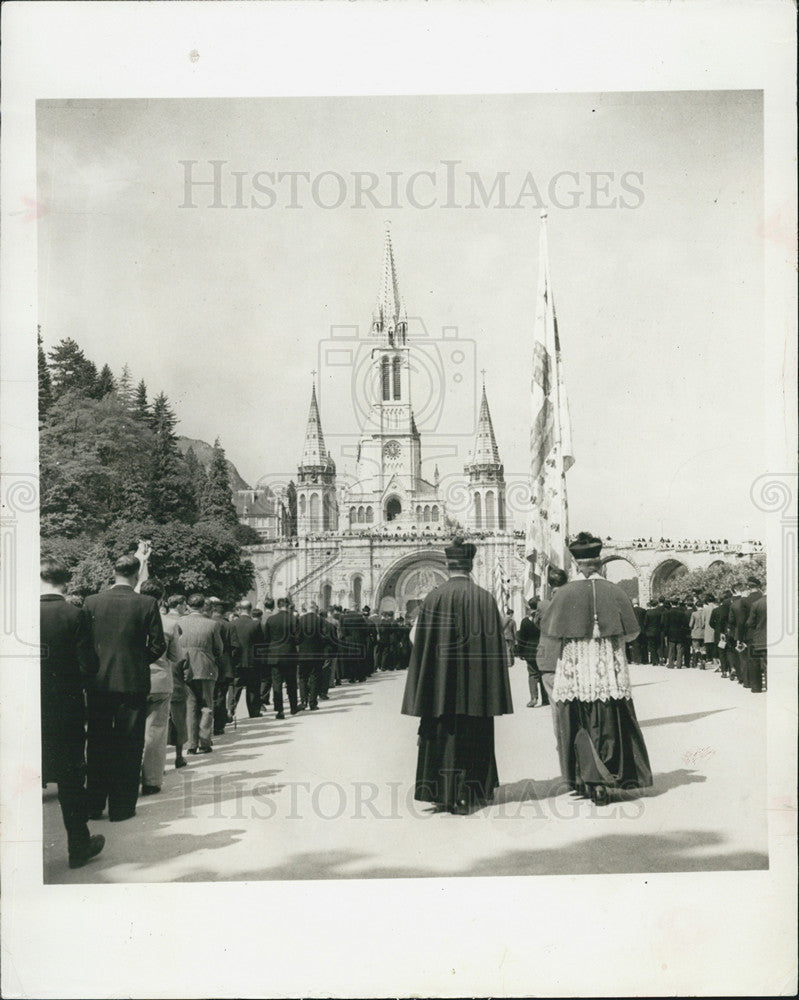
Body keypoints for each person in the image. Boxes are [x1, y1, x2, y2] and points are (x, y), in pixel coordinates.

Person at [401, 537, 513, 815]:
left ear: (448, 566)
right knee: (475, 732)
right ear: (470, 565)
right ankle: (474, 791)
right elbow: (497, 645)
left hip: (441, 684)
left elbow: (417, 639)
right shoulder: (486, 598)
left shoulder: (433, 598)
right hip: (477, 687)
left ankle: (443, 792)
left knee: (442, 732)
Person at [542, 532, 652, 806]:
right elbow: (632, 634)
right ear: (600, 562)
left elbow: (552, 634)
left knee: (578, 719)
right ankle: (612, 776)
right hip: (608, 667)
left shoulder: (565, 592)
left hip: (575, 666)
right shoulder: (615, 591)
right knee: (609, 717)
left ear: (578, 565)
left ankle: (589, 780)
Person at [84, 553, 166, 822]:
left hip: (99, 682)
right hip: (132, 682)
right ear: (136, 573)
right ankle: (121, 808)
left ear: (114, 571)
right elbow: (157, 645)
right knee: (128, 746)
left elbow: (83, 645)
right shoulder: (147, 603)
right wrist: (136, 661)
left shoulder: (92, 602)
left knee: (97, 744)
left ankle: (94, 804)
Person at [40, 558, 104, 868]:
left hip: (22, 705)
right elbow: (88, 666)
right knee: (70, 778)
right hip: (64, 706)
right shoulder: (75, 615)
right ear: (65, 582)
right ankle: (78, 845)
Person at [139, 579, 180, 795]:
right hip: (160, 680)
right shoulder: (169, 624)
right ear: (161, 599)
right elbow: (176, 656)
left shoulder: (131, 618)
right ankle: (152, 780)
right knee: (156, 731)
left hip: (134, 680)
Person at [178, 593, 223, 754]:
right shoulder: (212, 625)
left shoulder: (179, 622)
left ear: (188, 606)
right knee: (206, 706)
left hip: (185, 668)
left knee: (190, 706)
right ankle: (204, 742)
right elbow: (219, 649)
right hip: (206, 667)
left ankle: (191, 744)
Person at [263, 597, 300, 718]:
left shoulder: (271, 619)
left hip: (274, 655)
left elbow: (267, 638)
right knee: (291, 682)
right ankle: (293, 707)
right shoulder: (293, 619)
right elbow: (298, 638)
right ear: (288, 605)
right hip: (289, 654)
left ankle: (279, 710)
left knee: (276, 683)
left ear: (278, 606)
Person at [207, 597, 238, 735]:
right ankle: (219, 726)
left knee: (207, 695)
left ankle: (205, 726)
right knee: (220, 695)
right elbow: (235, 647)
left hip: (208, 663)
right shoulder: (228, 625)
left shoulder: (207, 622)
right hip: (224, 665)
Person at [165, 594, 189, 768]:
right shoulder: (181, 653)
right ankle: (179, 756)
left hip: (159, 685)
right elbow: (187, 672)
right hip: (178, 689)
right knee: (179, 722)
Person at [231, 600, 263, 719]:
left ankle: (231, 710)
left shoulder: (233, 623)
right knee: (253, 688)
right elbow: (261, 643)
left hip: (237, 661)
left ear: (239, 609)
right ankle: (254, 711)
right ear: (250, 609)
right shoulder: (255, 624)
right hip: (252, 661)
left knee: (236, 687)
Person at [297, 601, 327, 710]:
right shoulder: (320, 620)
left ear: (306, 608)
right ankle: (313, 703)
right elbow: (324, 637)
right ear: (315, 608)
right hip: (317, 654)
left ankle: (303, 701)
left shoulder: (300, 620)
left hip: (303, 654)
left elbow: (297, 638)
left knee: (302, 677)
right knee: (315, 677)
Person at [739, 576, 765, 692]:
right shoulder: (763, 598)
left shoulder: (744, 601)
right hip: (766, 633)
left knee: (753, 660)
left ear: (749, 587)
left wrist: (740, 637)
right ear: (759, 587)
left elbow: (743, 621)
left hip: (751, 634)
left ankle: (756, 686)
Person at [517, 599, 543, 707]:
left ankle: (533, 698)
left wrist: (520, 652)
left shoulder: (525, 621)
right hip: (542, 649)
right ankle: (545, 698)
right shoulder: (543, 619)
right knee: (543, 674)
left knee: (532, 674)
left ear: (529, 606)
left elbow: (521, 638)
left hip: (529, 650)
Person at [746, 586, 767, 693]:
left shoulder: (757, 604)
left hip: (760, 638)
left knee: (756, 662)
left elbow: (750, 622)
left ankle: (756, 687)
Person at [664, 599, 687, 669]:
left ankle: (671, 664)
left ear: (671, 603)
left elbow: (666, 624)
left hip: (671, 632)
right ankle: (679, 664)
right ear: (677, 604)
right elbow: (685, 623)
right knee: (679, 649)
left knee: (671, 649)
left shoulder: (668, 613)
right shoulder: (682, 613)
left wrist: (666, 633)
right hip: (680, 632)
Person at [643, 599, 662, 665]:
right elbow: (661, 622)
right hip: (657, 631)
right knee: (658, 645)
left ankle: (654, 661)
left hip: (650, 631)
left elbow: (645, 623)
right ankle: (659, 659)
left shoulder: (648, 612)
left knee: (651, 646)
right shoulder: (659, 612)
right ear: (656, 605)